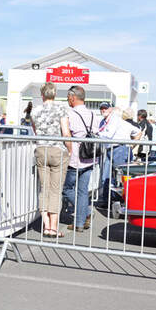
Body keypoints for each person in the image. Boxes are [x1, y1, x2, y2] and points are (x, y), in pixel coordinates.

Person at [31, 82, 71, 238]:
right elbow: (66, 132)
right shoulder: (61, 108)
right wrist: (70, 148)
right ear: (54, 94)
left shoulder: (35, 111)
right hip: (57, 150)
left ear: (42, 95)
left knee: (44, 188)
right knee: (55, 190)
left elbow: (35, 131)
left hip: (41, 150)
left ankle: (46, 226)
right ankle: (54, 228)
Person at [61, 86, 96, 231]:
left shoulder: (70, 113)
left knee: (66, 188)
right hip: (89, 157)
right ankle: (80, 222)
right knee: (82, 191)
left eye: (68, 97)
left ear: (73, 97)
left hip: (75, 157)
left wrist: (69, 151)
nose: (68, 99)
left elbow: (67, 135)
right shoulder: (93, 114)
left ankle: (85, 214)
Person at [96, 103, 139, 209]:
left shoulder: (115, 120)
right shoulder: (103, 122)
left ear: (111, 109)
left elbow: (137, 132)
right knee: (106, 177)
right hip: (110, 150)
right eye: (101, 108)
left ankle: (125, 202)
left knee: (122, 178)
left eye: (105, 108)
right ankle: (108, 201)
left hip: (120, 149)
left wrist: (131, 146)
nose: (103, 110)